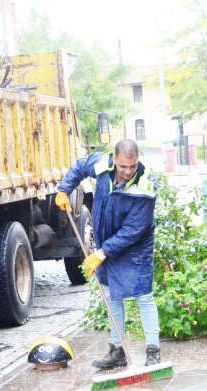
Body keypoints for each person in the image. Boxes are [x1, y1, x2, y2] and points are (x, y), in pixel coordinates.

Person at [55, 139, 161, 369]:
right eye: (123, 166)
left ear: (137, 161)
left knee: (143, 294)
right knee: (111, 293)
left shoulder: (145, 185)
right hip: (106, 239)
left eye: (132, 166)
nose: (127, 171)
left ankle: (153, 351)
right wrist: (65, 188)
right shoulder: (102, 165)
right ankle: (117, 351)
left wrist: (102, 253)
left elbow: (133, 230)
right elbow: (81, 166)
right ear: (114, 159)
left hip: (136, 245)